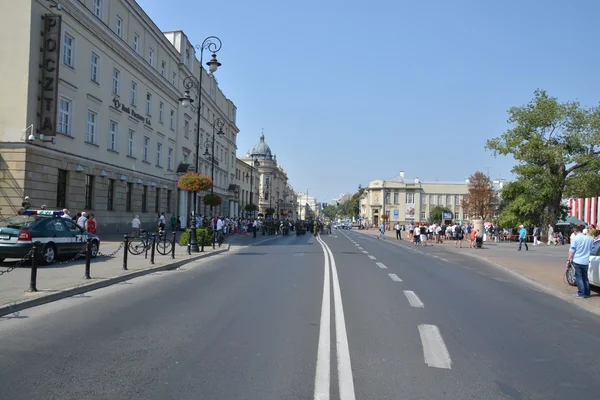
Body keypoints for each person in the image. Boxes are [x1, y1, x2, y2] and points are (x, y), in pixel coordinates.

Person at [568, 224, 593, 299]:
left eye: (574, 231)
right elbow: (592, 249)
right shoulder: (589, 239)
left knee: (579, 277)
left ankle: (581, 293)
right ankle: (587, 292)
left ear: (575, 231)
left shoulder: (575, 239)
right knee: (585, 277)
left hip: (577, 260)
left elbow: (572, 250)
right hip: (585, 261)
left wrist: (568, 259)